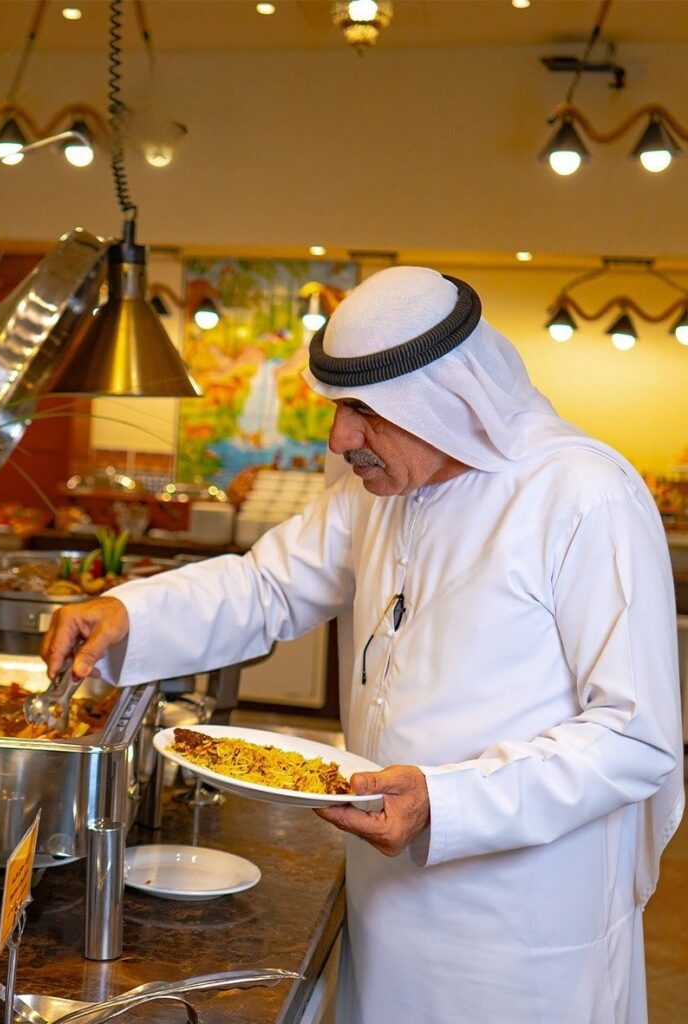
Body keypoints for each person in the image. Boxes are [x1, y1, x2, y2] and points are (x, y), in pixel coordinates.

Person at [41, 266, 684, 1023]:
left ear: (447, 401)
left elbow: (635, 737)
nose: (341, 437)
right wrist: (128, 612)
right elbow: (267, 587)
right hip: (386, 896)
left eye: (362, 410)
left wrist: (445, 802)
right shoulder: (382, 490)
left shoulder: (581, 493)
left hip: (519, 933)